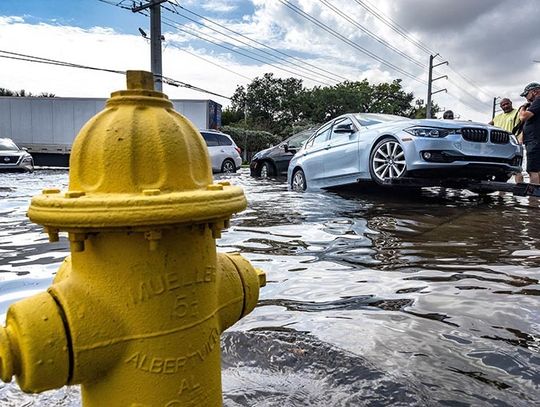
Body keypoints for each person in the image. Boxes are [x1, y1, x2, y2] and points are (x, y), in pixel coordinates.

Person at [489, 98, 523, 181]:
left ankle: (520, 190)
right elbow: (488, 125)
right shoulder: (497, 117)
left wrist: (520, 138)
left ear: (511, 103)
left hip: (512, 144)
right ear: (500, 107)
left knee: (516, 169)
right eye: (503, 105)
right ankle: (501, 192)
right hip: (497, 146)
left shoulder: (518, 113)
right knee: (499, 169)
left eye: (507, 104)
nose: (506, 106)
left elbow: (525, 126)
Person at [518, 82, 540, 184]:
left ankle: (533, 199)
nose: (526, 98)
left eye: (526, 94)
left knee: (533, 171)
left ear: (534, 92)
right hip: (535, 140)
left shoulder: (538, 100)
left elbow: (523, 117)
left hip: (535, 141)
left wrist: (522, 108)